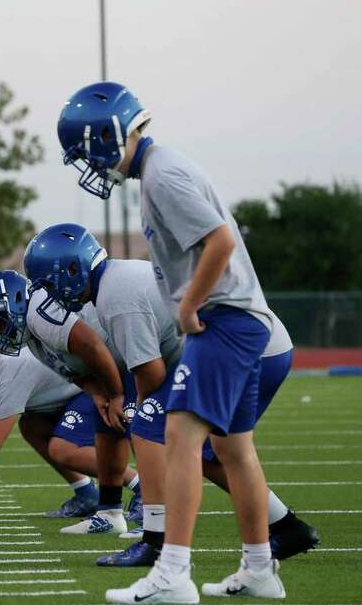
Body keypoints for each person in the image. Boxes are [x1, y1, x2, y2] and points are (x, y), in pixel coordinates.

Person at [57, 81, 288, 603]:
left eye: (84, 151)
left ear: (106, 135)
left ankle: (173, 574)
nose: (88, 164)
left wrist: (188, 305)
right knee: (233, 449)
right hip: (240, 318)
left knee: (178, 438)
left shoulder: (163, 174)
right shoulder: (160, 171)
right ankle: (259, 568)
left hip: (222, 318)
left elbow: (221, 242)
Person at [23, 221, 320, 568]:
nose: (51, 294)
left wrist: (131, 404)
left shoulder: (116, 295)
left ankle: (156, 541)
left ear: (73, 269)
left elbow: (151, 371)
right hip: (255, 346)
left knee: (147, 423)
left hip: (244, 349)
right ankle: (288, 527)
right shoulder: (114, 282)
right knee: (212, 454)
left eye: (50, 283)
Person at [0, 268, 140, 533]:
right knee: (33, 426)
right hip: (95, 379)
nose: (3, 334)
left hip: (118, 366)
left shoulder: (38, 317)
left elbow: (91, 345)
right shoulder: (32, 334)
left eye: (1, 323)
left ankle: (144, 493)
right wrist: (99, 391)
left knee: (67, 448)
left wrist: (114, 393)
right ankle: (98, 502)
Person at [0, 339, 134, 524]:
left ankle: (140, 485)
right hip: (75, 393)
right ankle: (86, 493)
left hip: (96, 389)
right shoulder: (2, 374)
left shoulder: (10, 374)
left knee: (63, 449)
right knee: (32, 427)